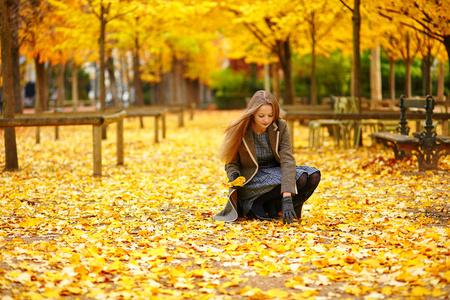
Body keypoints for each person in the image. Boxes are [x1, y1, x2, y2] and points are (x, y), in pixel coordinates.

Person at [214, 90, 321, 224]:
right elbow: (231, 162)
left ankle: (278, 205)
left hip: (274, 173)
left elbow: (287, 159)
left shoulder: (280, 127)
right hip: (252, 179)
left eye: (270, 115)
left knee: (312, 176)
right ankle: (255, 201)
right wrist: (234, 176)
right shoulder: (240, 129)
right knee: (298, 178)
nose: (266, 120)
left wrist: (287, 198)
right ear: (253, 113)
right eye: (261, 115)